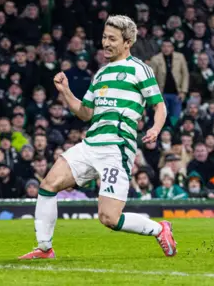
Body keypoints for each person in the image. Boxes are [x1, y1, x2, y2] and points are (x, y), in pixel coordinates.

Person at [19, 15, 177, 260]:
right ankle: (44, 248)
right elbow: (85, 113)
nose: (106, 42)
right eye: (104, 37)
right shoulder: (101, 74)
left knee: (109, 218)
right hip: (91, 144)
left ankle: (159, 229)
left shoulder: (140, 69)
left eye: (112, 38)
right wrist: (66, 91)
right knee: (48, 185)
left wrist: (155, 129)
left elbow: (159, 106)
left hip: (117, 148)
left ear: (127, 42)